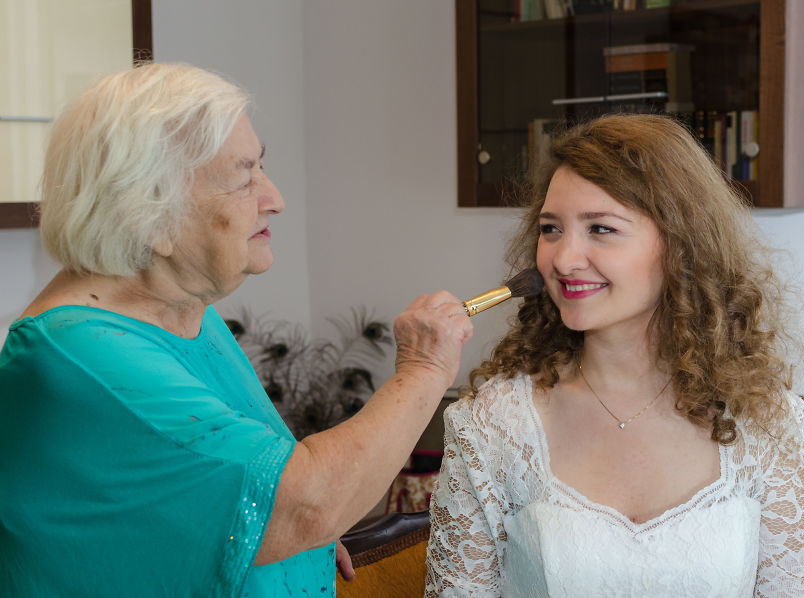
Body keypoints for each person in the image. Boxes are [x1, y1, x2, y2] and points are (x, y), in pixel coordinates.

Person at [0, 62, 473, 597]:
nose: (275, 197)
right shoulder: (75, 353)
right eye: (243, 176)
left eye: (262, 166)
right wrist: (425, 370)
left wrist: (300, 534)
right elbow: (305, 502)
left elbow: (250, 497)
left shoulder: (184, 313)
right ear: (149, 216)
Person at [425, 114, 804, 597]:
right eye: (551, 229)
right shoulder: (490, 426)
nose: (563, 258)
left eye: (600, 228)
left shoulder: (767, 421)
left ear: (681, 245)